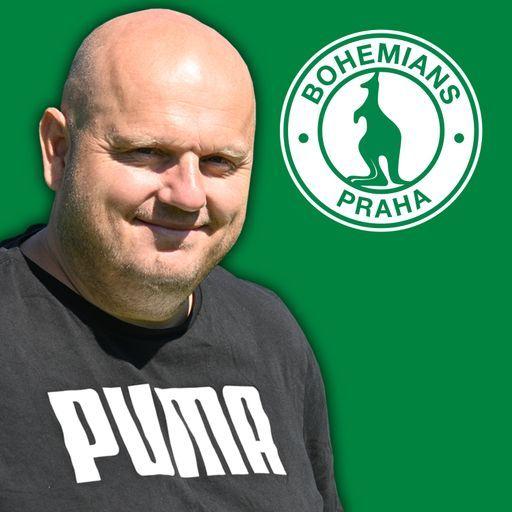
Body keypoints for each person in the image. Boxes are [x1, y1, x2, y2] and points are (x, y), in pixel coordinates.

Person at [0, 8, 342, 512]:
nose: (188, 195)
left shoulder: (270, 334)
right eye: (146, 151)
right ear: (59, 150)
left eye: (219, 162)